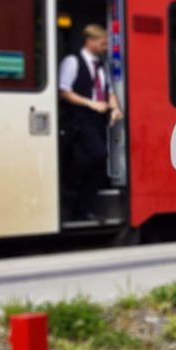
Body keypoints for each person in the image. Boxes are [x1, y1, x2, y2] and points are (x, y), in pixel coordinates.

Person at [59, 24, 123, 220]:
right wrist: (91, 104)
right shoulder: (72, 61)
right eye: (102, 43)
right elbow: (64, 91)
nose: (105, 48)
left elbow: (109, 91)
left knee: (95, 163)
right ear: (90, 41)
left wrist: (116, 108)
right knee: (97, 155)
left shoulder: (101, 66)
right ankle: (73, 192)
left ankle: (81, 207)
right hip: (79, 119)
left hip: (97, 120)